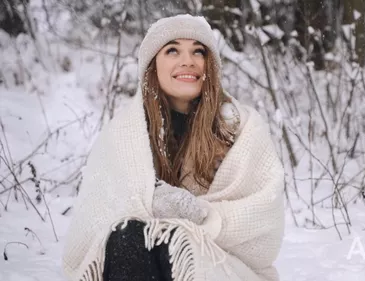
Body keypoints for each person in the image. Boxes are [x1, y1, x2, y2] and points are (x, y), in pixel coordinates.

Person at [62, 14, 285, 281]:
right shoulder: (124, 133)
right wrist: (147, 202)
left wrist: (199, 215)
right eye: (172, 50)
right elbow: (95, 222)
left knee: (171, 241)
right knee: (128, 234)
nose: (187, 60)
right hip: (136, 265)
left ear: (209, 64)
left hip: (220, 266)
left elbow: (265, 225)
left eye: (198, 51)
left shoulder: (241, 127)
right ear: (153, 64)